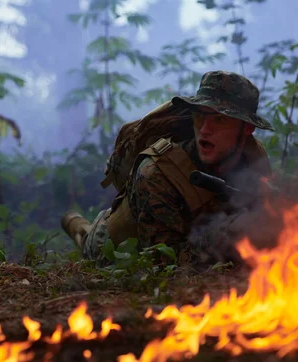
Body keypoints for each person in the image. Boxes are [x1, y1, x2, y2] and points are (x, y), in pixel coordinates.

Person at [61, 71, 275, 265]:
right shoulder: (158, 172)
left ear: (247, 128)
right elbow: (160, 261)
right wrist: (225, 237)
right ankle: (74, 223)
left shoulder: (254, 159)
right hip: (114, 247)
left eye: (219, 119)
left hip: (185, 229)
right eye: (199, 115)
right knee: (86, 236)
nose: (205, 129)